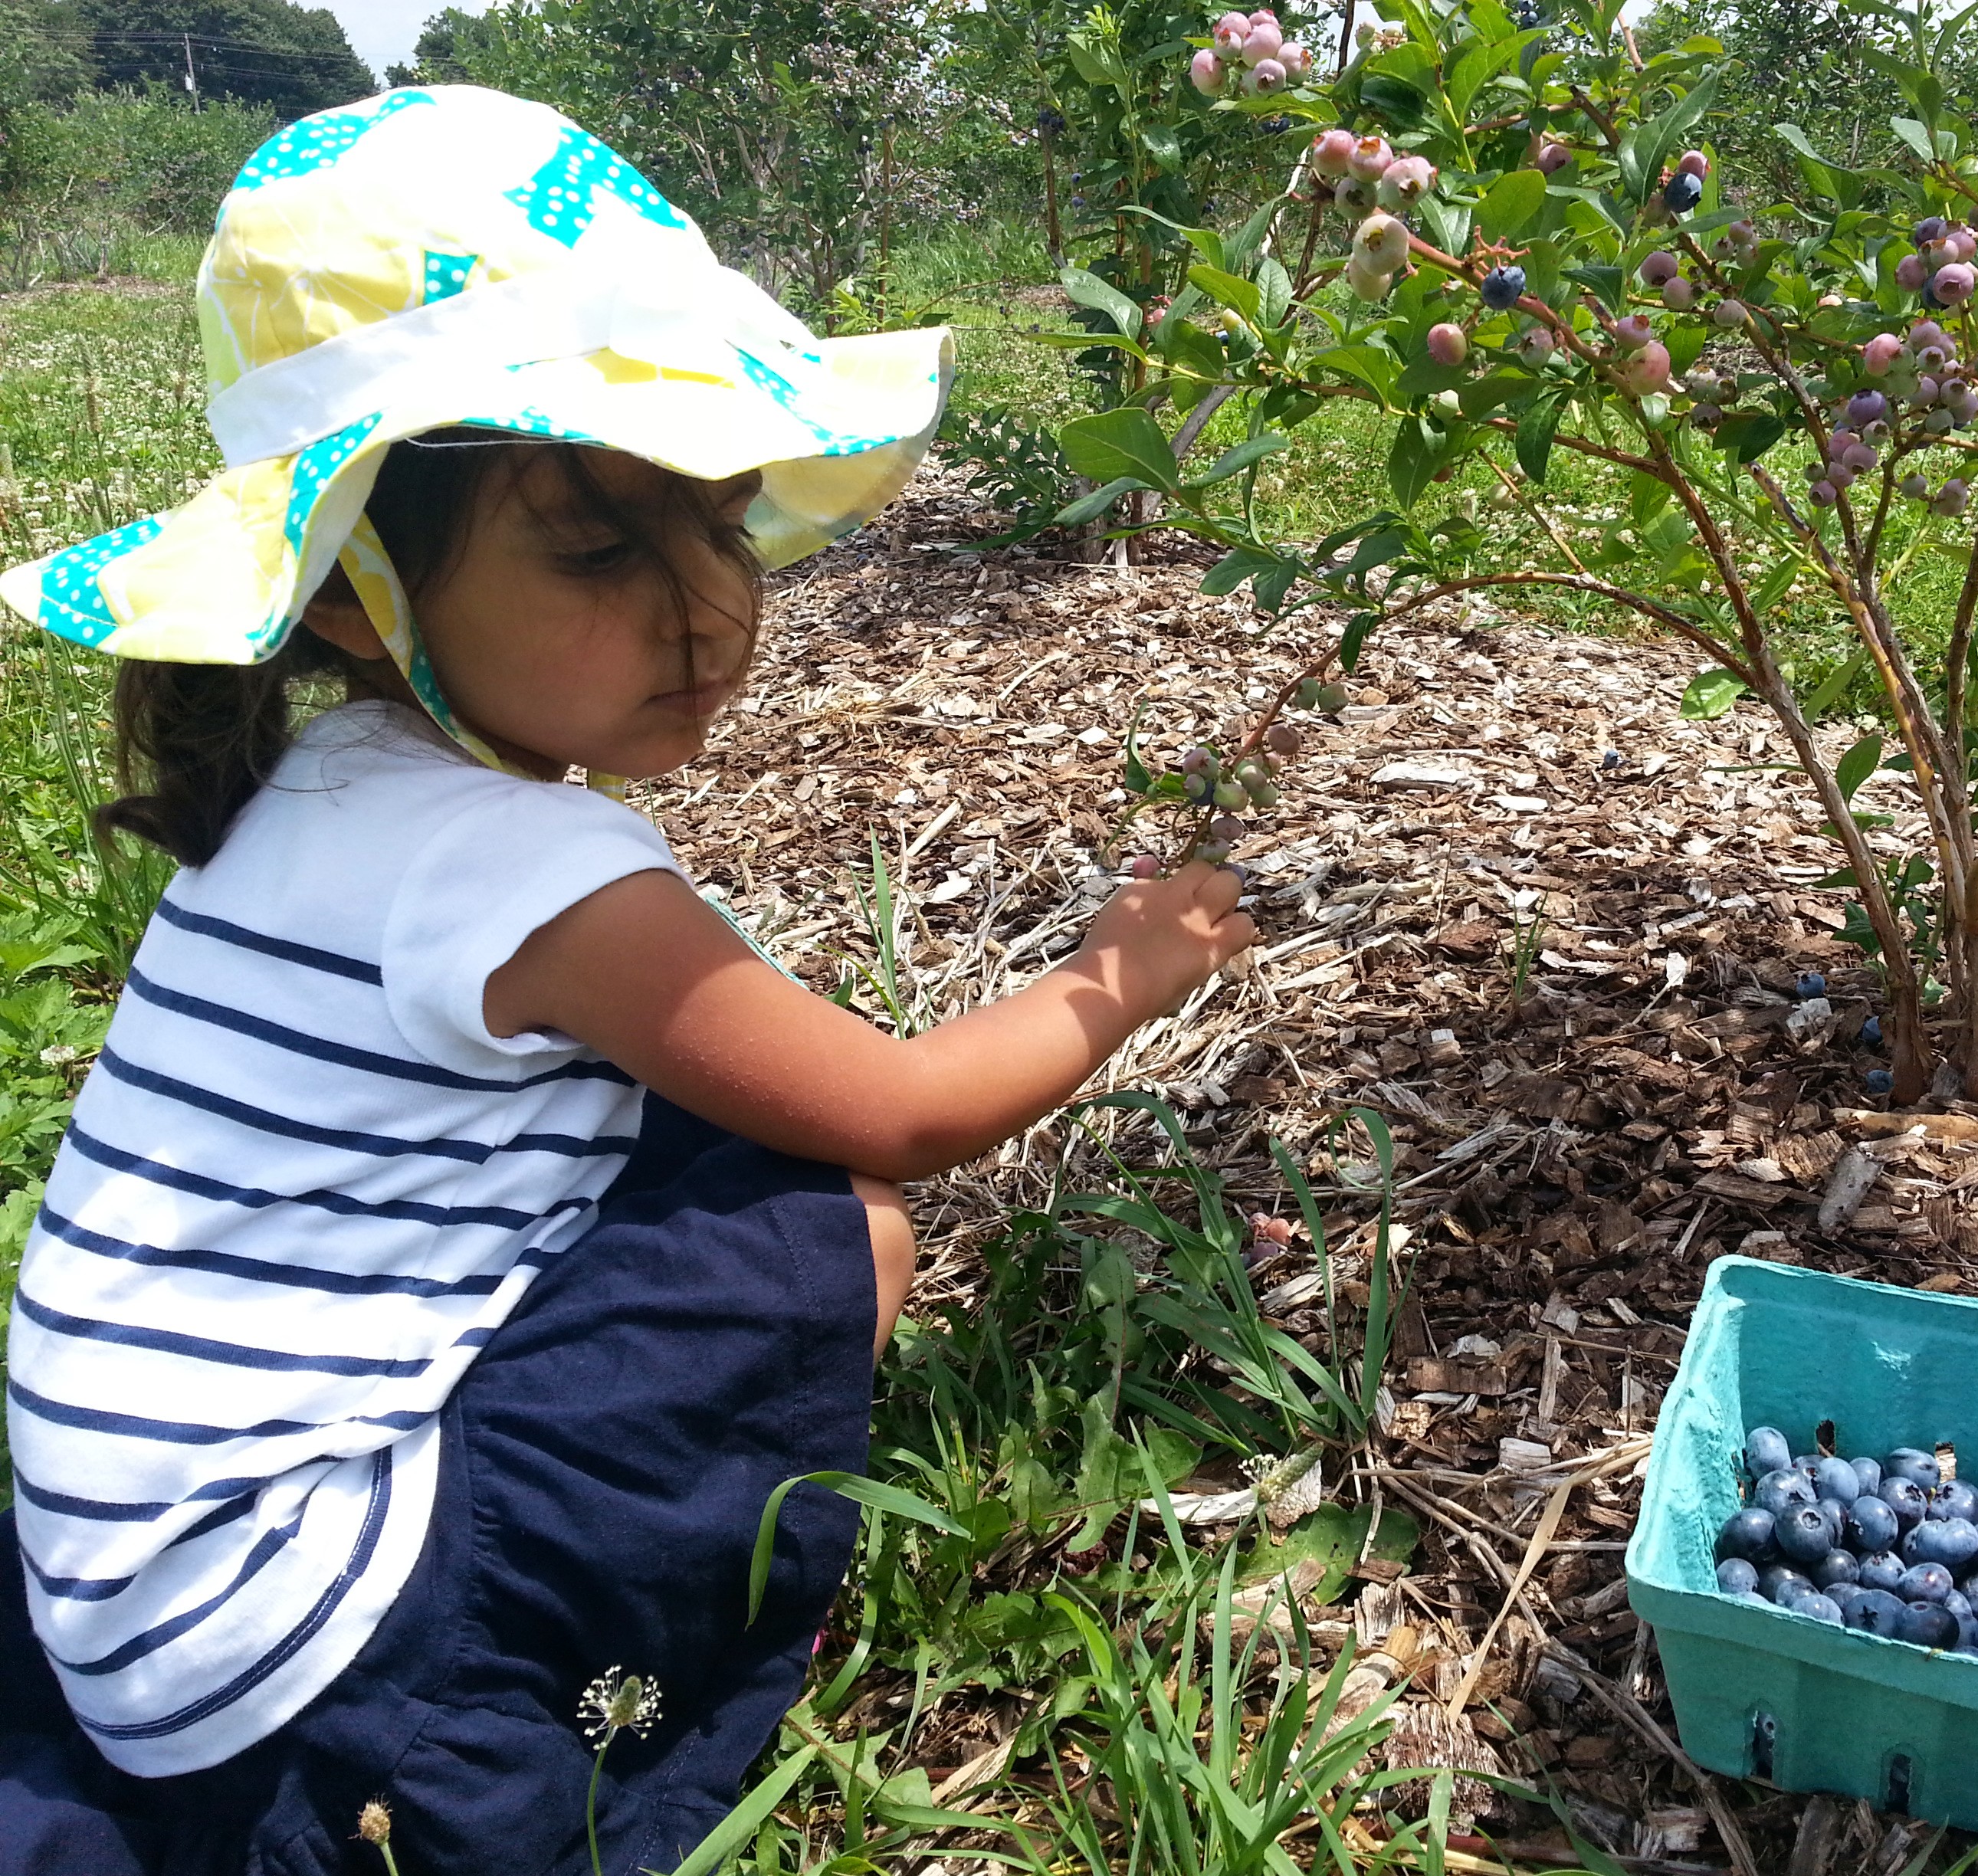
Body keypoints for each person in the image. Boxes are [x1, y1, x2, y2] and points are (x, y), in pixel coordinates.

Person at [0, 86, 1256, 1875]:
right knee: (835, 1238)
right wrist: (1114, 977)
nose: (705, 605)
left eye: (719, 519)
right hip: (308, 1668)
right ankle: (640, 1671)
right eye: (599, 548)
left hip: (130, 1602)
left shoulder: (320, 786)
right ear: (351, 591)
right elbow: (903, 1111)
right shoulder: (528, 869)